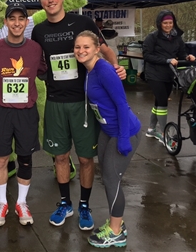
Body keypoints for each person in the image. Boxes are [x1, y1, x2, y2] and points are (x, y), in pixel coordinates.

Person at [31, 0, 125, 231]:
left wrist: (116, 69)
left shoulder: (83, 23)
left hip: (83, 102)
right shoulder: (38, 30)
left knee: (85, 159)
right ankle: (65, 203)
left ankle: (84, 205)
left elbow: (106, 50)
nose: (50, 0)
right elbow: (34, 60)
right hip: (55, 101)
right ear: (41, 2)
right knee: (60, 157)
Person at [74, 30, 141, 248]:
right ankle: (115, 224)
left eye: (86, 47)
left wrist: (123, 139)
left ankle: (116, 232)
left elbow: (122, 104)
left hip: (125, 131)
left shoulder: (104, 70)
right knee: (107, 176)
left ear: (96, 48)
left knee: (113, 179)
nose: (81, 51)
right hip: (107, 131)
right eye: (77, 47)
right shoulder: (90, 70)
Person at [0, 3, 47, 227]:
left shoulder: (35, 49)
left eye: (21, 19)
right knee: (1, 159)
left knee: (26, 160)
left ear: (26, 23)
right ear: (5, 22)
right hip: (2, 112)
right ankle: (2, 202)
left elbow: (44, 72)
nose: (17, 23)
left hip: (26, 113)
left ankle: (21, 202)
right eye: (13, 19)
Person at [143, 10, 195, 144]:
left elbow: (182, 53)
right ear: (160, 23)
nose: (168, 25)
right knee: (162, 102)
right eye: (165, 23)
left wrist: (188, 57)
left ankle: (151, 129)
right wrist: (167, 60)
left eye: (170, 22)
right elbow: (147, 56)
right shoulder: (152, 37)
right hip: (154, 73)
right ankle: (163, 132)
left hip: (169, 73)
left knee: (159, 102)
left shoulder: (177, 37)